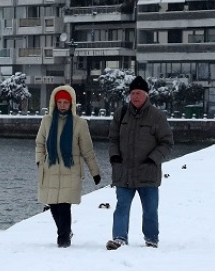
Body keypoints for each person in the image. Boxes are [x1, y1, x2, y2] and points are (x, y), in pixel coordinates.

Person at [107, 75, 174, 250]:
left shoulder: (157, 116)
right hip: (124, 172)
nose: (135, 96)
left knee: (150, 209)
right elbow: (113, 139)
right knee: (121, 207)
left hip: (148, 171)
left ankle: (151, 239)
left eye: (139, 93)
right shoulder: (121, 114)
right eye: (133, 93)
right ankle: (119, 238)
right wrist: (115, 157)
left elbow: (167, 143)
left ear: (146, 95)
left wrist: (153, 159)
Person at [35, 85, 101, 247]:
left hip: (70, 169)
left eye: (65, 102)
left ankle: (63, 238)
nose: (62, 105)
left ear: (71, 103)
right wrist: (40, 161)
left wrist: (95, 172)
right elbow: (40, 143)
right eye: (59, 102)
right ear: (55, 103)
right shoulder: (47, 121)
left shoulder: (79, 124)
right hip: (50, 168)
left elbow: (87, 150)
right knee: (53, 204)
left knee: (64, 205)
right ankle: (65, 231)